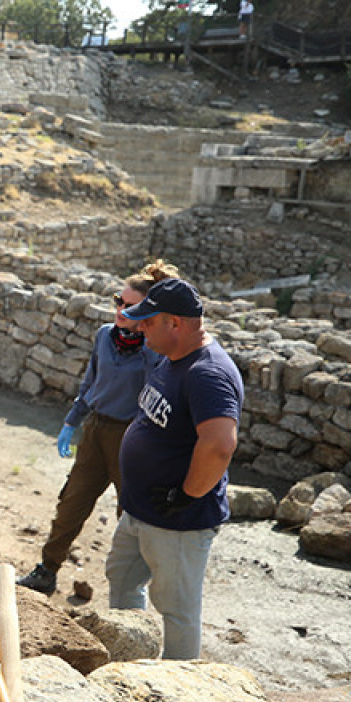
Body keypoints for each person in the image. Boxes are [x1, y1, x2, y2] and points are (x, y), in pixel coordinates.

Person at [16, 261, 177, 596]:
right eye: (118, 301)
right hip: (95, 432)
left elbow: (155, 394)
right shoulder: (105, 335)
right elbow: (91, 381)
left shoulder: (154, 349)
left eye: (131, 306)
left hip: (132, 438)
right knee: (72, 502)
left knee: (129, 516)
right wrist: (71, 421)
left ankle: (131, 590)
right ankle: (47, 570)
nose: (120, 310)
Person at [106, 277, 243, 660]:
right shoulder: (174, 357)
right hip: (141, 511)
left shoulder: (207, 373)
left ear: (175, 324)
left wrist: (186, 495)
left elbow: (219, 445)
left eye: (148, 322)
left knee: (177, 612)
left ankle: (176, 691)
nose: (139, 327)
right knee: (122, 582)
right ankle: (127, 666)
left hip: (178, 522)